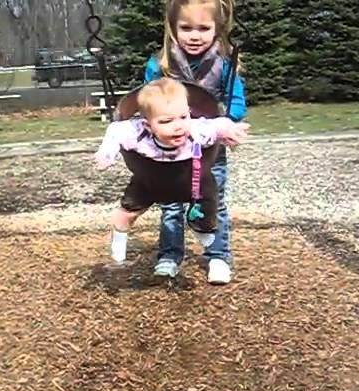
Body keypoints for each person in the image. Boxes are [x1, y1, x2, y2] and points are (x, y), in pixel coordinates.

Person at [144, 0, 248, 284]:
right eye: (186, 27)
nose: (194, 35)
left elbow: (238, 104)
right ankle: (169, 255)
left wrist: (218, 119)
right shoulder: (160, 66)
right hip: (169, 150)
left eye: (204, 28)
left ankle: (218, 257)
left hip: (210, 150)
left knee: (213, 202)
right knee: (170, 204)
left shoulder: (225, 65)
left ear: (218, 28)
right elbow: (147, 103)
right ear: (172, 28)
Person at [94, 78, 248, 264]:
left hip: (190, 178)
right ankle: (118, 240)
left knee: (208, 202)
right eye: (166, 121)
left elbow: (219, 124)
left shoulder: (196, 130)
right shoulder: (136, 132)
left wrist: (231, 131)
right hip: (149, 179)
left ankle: (201, 227)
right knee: (125, 214)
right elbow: (115, 131)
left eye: (183, 117)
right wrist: (107, 153)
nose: (178, 126)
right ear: (148, 125)